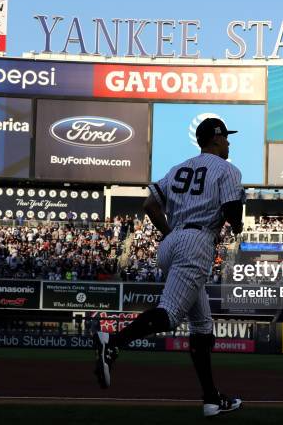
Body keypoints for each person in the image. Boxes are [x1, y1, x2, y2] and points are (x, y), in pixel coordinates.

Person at [93, 118, 245, 417]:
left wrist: (171, 234)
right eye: (226, 138)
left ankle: (212, 399)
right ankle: (112, 341)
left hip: (172, 242)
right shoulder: (228, 169)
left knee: (202, 326)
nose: (228, 143)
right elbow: (230, 212)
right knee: (171, 314)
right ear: (215, 139)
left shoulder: (178, 168)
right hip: (197, 241)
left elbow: (150, 205)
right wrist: (238, 224)